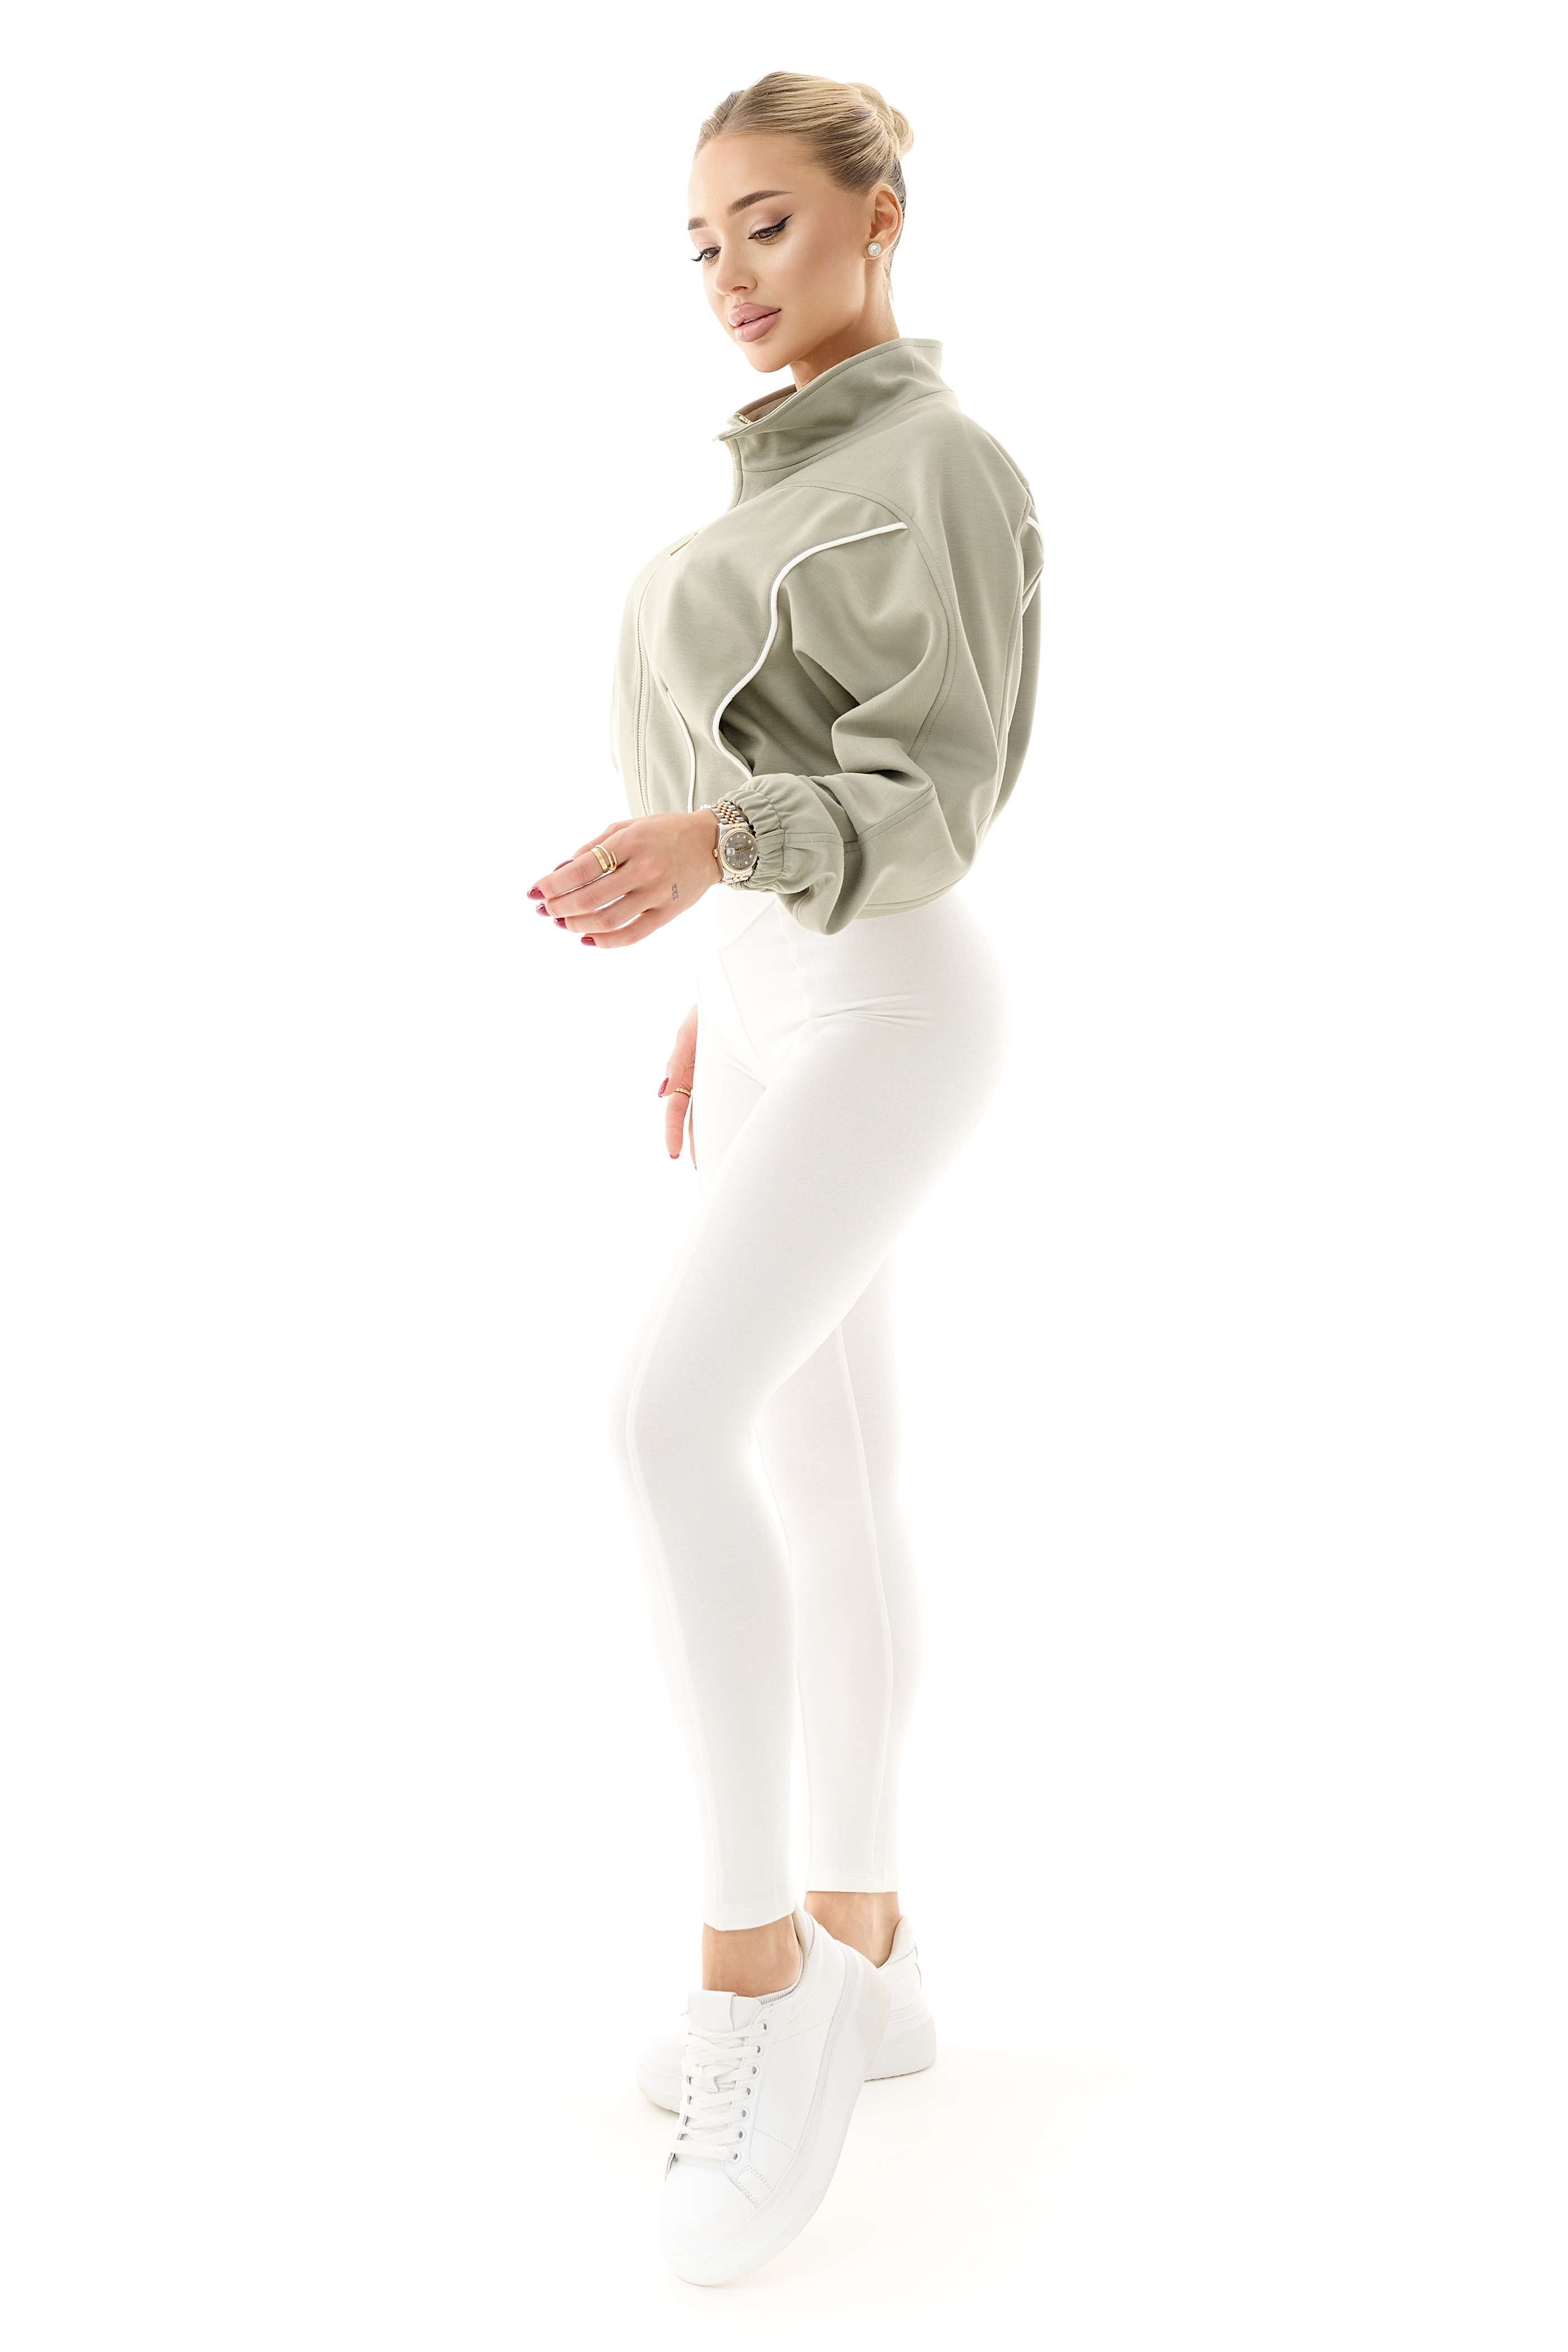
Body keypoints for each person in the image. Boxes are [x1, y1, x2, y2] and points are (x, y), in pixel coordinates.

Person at [529, 71, 1042, 2285]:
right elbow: (770, 783)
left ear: (877, 212)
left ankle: (760, 1980)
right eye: (701, 241)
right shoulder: (783, 472)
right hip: (768, 999)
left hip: (888, 998)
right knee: (821, 1476)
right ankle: (870, 1941)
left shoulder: (939, 465)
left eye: (765, 222)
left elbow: (935, 795)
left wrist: (711, 851)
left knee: (664, 1420)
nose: (729, 273)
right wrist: (714, 973)